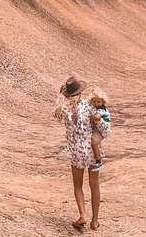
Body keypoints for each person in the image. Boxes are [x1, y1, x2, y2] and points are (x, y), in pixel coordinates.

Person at [54, 76, 112, 231]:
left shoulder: (64, 110)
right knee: (94, 185)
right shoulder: (91, 106)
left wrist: (62, 95)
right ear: (80, 92)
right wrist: (98, 122)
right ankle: (94, 221)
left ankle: (82, 215)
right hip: (92, 150)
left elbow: (57, 113)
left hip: (76, 151)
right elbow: (106, 129)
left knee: (78, 185)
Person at [88, 88, 111, 171]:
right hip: (97, 129)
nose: (96, 104)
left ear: (103, 102)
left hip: (102, 130)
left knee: (93, 142)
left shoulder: (102, 109)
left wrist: (91, 117)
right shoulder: (94, 108)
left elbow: (97, 117)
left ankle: (98, 161)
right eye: (94, 102)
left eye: (98, 102)